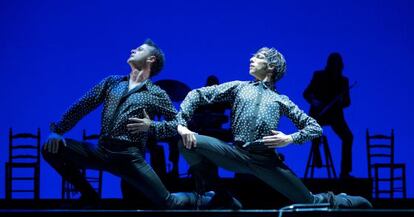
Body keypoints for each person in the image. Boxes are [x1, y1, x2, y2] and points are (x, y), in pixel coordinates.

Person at [176, 47, 372, 209]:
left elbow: (314, 127)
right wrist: (182, 125)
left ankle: (344, 200)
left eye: (258, 57)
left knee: (308, 202)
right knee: (186, 143)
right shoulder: (239, 87)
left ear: (270, 67)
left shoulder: (280, 100)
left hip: (266, 161)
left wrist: (290, 139)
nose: (251, 59)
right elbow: (197, 95)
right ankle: (221, 195)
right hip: (235, 153)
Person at [42, 39, 211, 209]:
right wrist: (58, 130)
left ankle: (206, 199)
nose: (133, 49)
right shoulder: (112, 82)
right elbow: (84, 105)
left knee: (168, 203)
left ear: (151, 59)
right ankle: (90, 196)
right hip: (101, 151)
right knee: (50, 148)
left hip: (130, 157)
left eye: (140, 49)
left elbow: (178, 123)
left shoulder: (156, 93)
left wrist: (150, 126)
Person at [303, 52, 354, 178]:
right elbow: (306, 93)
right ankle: (316, 154)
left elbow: (347, 102)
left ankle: (345, 172)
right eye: (334, 66)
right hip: (319, 113)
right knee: (314, 129)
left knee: (348, 137)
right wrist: (315, 102)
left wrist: (342, 101)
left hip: (335, 116)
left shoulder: (343, 81)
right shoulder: (319, 76)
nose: (337, 69)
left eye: (339, 66)